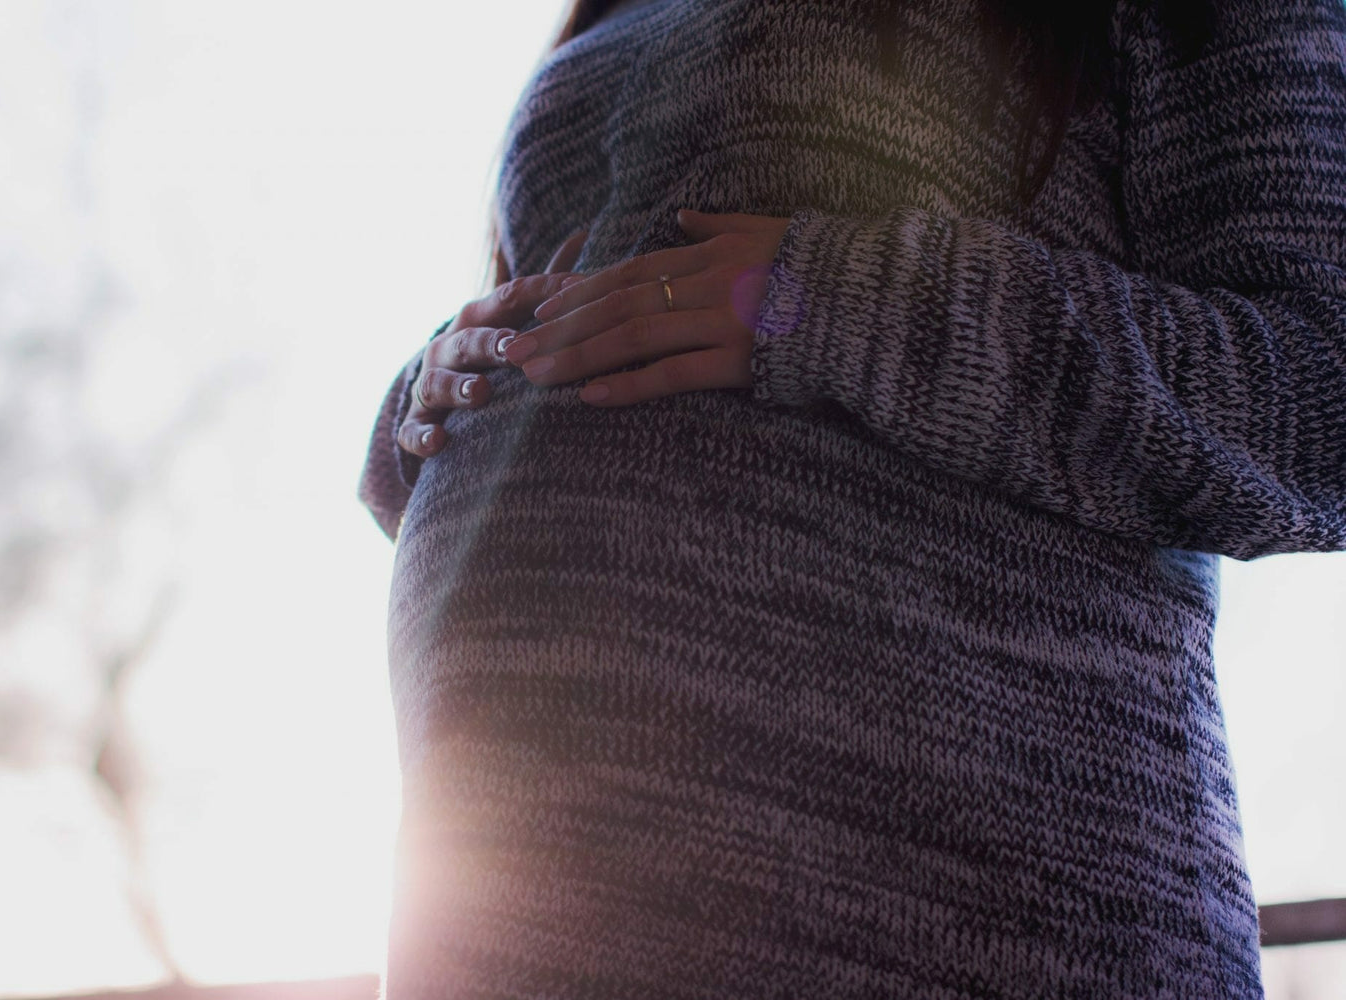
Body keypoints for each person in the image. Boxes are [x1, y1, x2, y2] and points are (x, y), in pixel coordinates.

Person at [359, 0, 1346, 995]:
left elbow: (1319, 398)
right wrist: (434, 396)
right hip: (516, 873)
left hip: (959, 893)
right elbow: (607, 288)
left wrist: (823, 300)